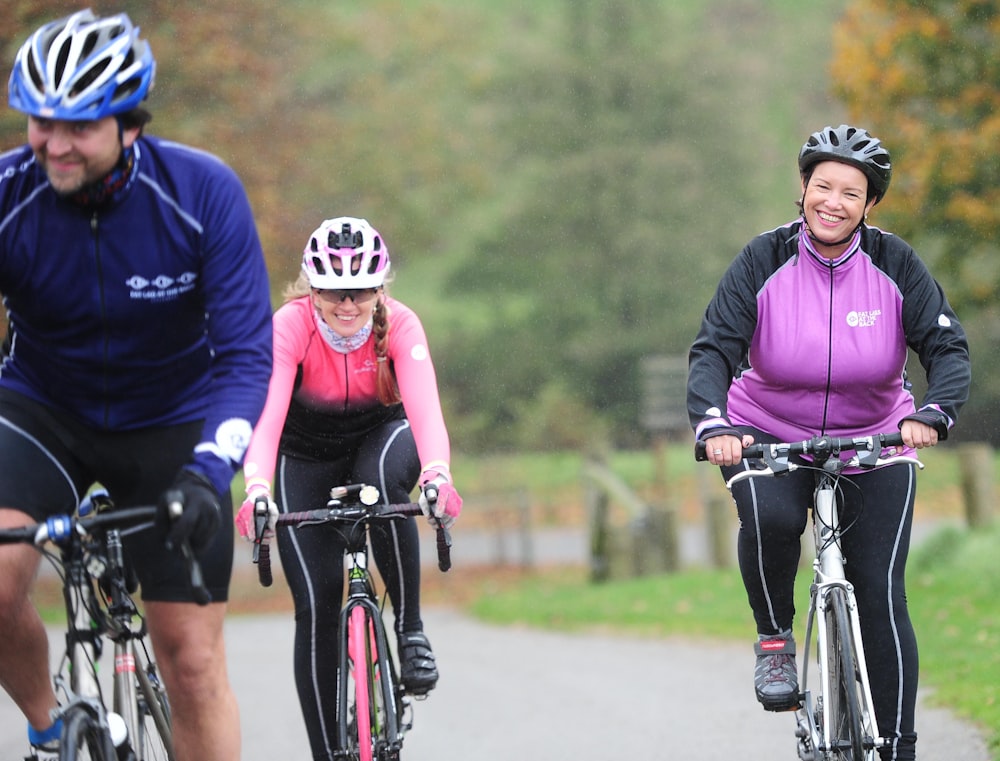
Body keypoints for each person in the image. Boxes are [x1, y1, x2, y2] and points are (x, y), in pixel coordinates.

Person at [0, 9, 272, 760]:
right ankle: (52, 724)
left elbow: (248, 353)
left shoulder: (202, 191)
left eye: (77, 128)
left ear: (129, 125)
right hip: (42, 408)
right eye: (39, 123)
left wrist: (209, 469)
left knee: (191, 658)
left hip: (175, 422)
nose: (52, 145)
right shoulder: (8, 196)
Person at [687, 124, 971, 761]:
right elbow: (714, 350)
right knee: (772, 514)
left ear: (869, 205)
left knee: (879, 590)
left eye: (851, 192)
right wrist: (714, 423)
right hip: (767, 431)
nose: (833, 201)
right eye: (823, 186)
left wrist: (932, 413)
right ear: (803, 189)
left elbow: (947, 347)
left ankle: (898, 746)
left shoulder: (896, 264)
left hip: (877, 438)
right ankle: (772, 642)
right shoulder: (763, 259)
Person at [235, 215, 462, 759]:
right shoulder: (289, 327)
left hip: (380, 438)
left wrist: (437, 475)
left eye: (359, 291)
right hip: (303, 455)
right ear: (312, 288)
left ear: (378, 288)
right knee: (314, 606)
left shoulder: (400, 325)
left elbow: (427, 412)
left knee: (380, 481)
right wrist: (257, 487)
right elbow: (264, 416)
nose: (346, 304)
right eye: (333, 291)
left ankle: (408, 631)